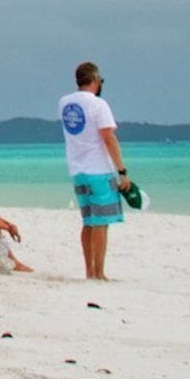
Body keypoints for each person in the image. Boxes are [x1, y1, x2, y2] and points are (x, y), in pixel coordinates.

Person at [59, 60, 137, 281]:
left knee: (88, 221)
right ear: (94, 80)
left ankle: (89, 271)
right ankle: (99, 272)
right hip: (98, 169)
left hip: (77, 169)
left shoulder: (65, 103)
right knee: (101, 222)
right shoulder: (98, 105)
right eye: (100, 81)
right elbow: (108, 137)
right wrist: (121, 170)